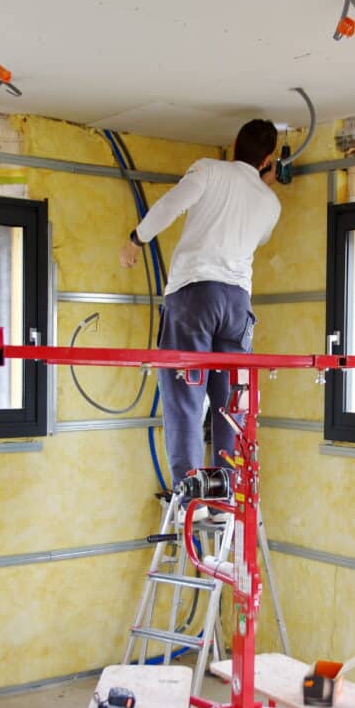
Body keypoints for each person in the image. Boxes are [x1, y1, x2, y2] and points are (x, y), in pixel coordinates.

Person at [119, 119, 280, 508]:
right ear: (268, 159)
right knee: (229, 404)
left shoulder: (208, 170)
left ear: (234, 142)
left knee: (185, 400)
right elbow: (257, 236)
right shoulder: (271, 203)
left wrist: (136, 240)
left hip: (195, 295)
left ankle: (188, 494)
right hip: (237, 305)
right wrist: (260, 187)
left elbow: (170, 205)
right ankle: (226, 490)